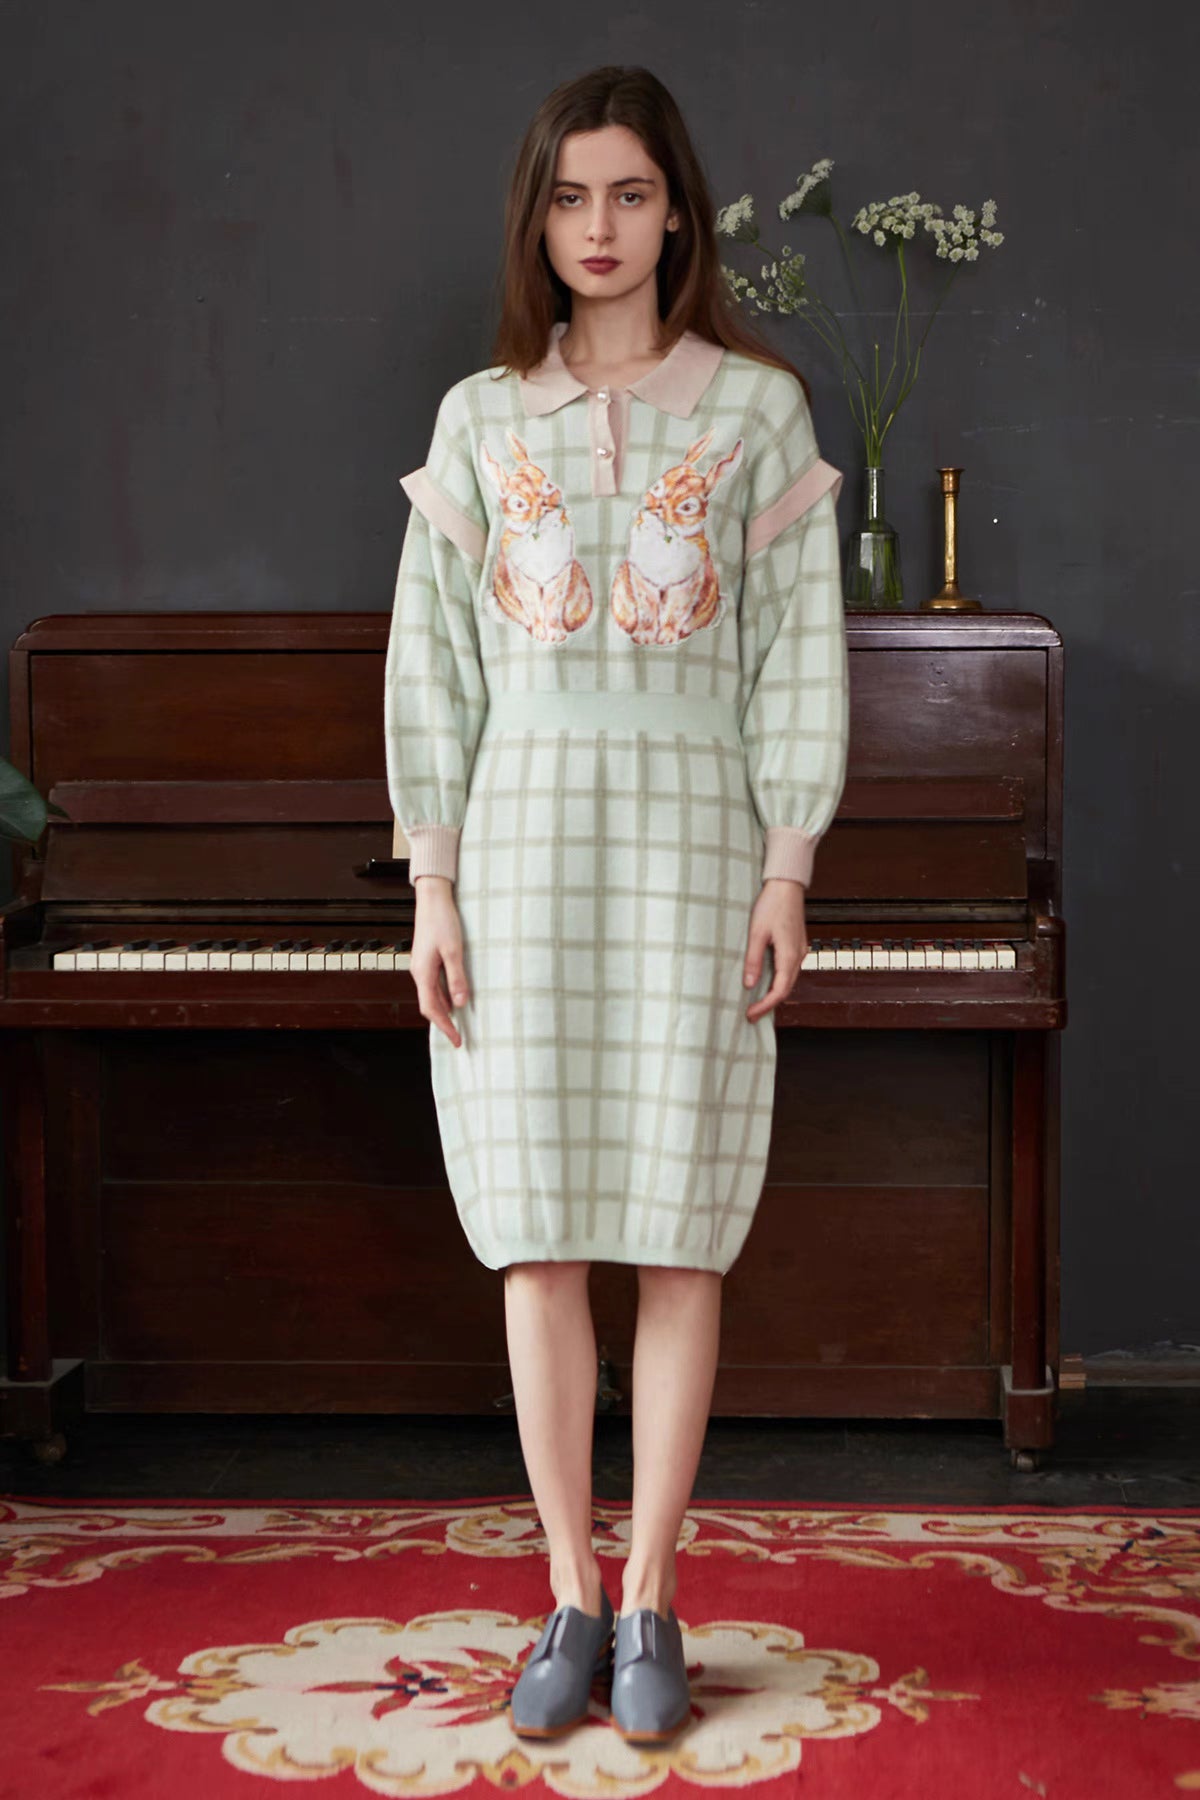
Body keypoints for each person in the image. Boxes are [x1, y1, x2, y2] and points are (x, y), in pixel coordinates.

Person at [383, 64, 849, 1746]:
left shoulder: (756, 413)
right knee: (538, 1231)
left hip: (694, 853)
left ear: (677, 215)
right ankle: (568, 1596)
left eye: (631, 194)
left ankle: (652, 1592)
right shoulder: (478, 420)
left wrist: (788, 865)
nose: (600, 227)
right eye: (572, 197)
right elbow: (432, 672)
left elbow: (797, 659)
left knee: (676, 1222)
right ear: (538, 220)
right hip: (517, 858)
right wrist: (433, 883)